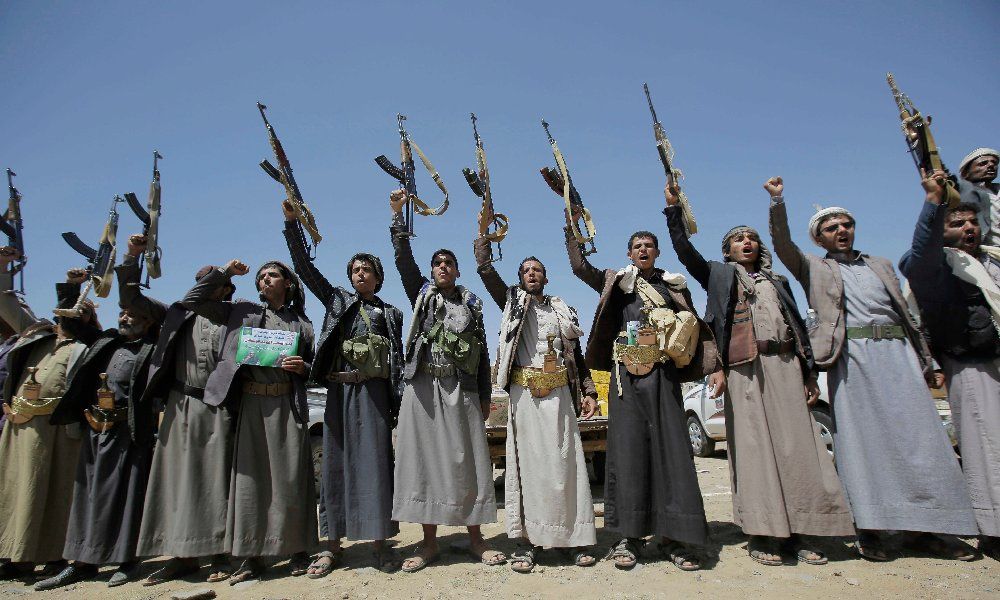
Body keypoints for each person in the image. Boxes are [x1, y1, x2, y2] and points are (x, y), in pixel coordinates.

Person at [766, 176, 979, 561]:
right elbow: (783, 245)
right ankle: (872, 528)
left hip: (898, 355)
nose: (841, 231)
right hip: (853, 358)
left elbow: (907, 313)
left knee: (919, 440)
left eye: (846, 224)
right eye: (831, 227)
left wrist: (926, 359)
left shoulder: (880, 265)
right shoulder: (814, 268)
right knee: (863, 444)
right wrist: (777, 203)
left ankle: (927, 530)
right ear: (819, 238)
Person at [663, 182, 854, 566]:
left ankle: (805, 531)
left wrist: (808, 373)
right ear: (727, 251)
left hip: (785, 367)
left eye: (751, 238)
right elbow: (684, 251)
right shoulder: (718, 276)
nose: (746, 242)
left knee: (798, 448)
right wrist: (673, 211)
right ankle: (764, 533)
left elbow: (797, 326)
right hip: (742, 369)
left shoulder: (777, 282)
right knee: (753, 451)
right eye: (738, 239)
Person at [563, 205, 723, 571]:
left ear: (657, 251)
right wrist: (571, 225)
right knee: (627, 452)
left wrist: (714, 366)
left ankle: (675, 536)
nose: (643, 250)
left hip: (663, 376)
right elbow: (579, 267)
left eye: (649, 245)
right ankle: (628, 537)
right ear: (629, 253)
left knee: (672, 451)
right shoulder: (617, 283)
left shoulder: (672, 286)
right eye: (637, 246)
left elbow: (695, 331)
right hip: (625, 379)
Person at [281, 201, 403, 575]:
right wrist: (292, 225)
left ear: (378, 277)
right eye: (354, 270)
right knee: (335, 466)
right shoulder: (337, 301)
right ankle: (331, 546)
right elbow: (305, 269)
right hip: (339, 394)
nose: (359, 274)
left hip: (375, 396)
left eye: (366, 270)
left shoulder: (392, 313)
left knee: (377, 466)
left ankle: (380, 543)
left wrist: (397, 404)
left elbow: (397, 361)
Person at [387, 190, 504, 572]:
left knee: (469, 462)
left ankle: (476, 539)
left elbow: (482, 354)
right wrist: (397, 216)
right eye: (437, 263)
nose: (442, 267)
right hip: (422, 389)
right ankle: (429, 543)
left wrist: (484, 396)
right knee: (424, 463)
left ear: (457, 271)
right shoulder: (421, 295)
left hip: (462, 389)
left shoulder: (472, 307)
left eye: (448, 263)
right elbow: (403, 260)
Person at [181, 258, 318, 584]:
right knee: (250, 482)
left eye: (273, 275)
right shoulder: (240, 312)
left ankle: (297, 550)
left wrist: (303, 368)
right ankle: (251, 557)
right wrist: (225, 273)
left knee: (290, 479)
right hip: (251, 404)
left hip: (286, 404)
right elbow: (192, 302)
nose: (265, 279)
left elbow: (314, 366)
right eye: (261, 276)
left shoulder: (302, 323)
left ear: (288, 283)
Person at [474, 235, 599, 573]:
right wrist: (483, 238)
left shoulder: (561, 310)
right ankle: (527, 543)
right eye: (526, 270)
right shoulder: (512, 304)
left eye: (538, 270)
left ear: (546, 277)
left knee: (566, 468)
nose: (532, 274)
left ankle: (573, 540)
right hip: (525, 397)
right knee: (527, 471)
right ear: (520, 278)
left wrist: (589, 391)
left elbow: (575, 356)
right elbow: (486, 271)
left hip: (560, 397)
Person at [115, 234, 236, 585]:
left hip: (220, 408)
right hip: (181, 407)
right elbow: (131, 299)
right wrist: (132, 257)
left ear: (226, 289)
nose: (204, 286)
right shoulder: (176, 313)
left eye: (212, 281)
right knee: (178, 483)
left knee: (217, 482)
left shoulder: (237, 316)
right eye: (200, 281)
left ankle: (220, 553)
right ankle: (181, 556)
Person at [36, 264, 161, 590]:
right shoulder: (105, 341)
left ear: (148, 321)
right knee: (86, 497)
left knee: (126, 498)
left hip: (128, 433)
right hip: (95, 430)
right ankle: (82, 563)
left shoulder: (154, 348)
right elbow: (71, 323)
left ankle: (126, 561)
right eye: (122, 313)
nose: (125, 318)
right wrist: (72, 287)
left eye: (132, 314)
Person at [900, 168, 1000, 561]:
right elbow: (921, 251)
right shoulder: (935, 266)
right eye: (957, 223)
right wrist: (933, 203)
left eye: (972, 221)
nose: (968, 228)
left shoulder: (991, 261)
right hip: (972, 363)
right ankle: (993, 528)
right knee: (987, 446)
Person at [0, 258, 96, 581]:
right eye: (67, 310)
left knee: (55, 494)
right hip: (22, 428)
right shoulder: (34, 336)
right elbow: (4, 301)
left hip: (60, 433)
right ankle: (16, 556)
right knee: (19, 493)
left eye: (81, 312)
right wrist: (2, 267)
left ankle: (54, 556)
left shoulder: (85, 348)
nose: (72, 315)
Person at [956, 148, 999, 245]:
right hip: (985, 250)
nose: (991, 165)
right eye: (983, 163)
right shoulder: (960, 194)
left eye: (994, 162)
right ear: (966, 173)